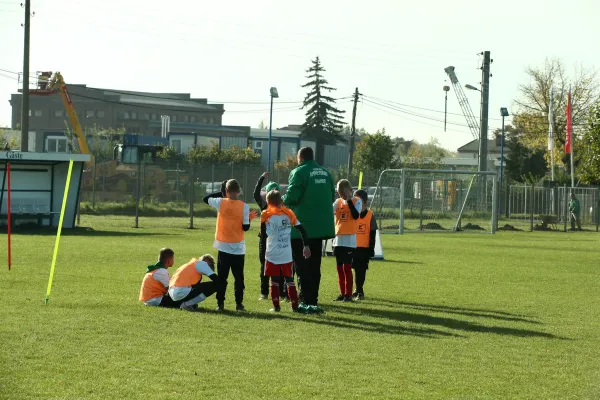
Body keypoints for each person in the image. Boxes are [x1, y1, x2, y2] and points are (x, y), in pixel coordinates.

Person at [283, 147, 336, 309]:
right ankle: (313, 298)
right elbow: (331, 195)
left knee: (301, 266)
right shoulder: (326, 173)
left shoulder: (298, 172)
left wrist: (281, 199)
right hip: (320, 228)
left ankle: (305, 299)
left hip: (302, 229)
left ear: (300, 158)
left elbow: (292, 196)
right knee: (314, 265)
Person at [203, 179, 257, 311]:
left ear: (226, 191)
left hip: (223, 246)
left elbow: (206, 198)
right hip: (238, 248)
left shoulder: (220, 202)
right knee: (239, 278)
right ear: (239, 191)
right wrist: (248, 219)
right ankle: (239, 304)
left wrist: (222, 193)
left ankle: (220, 304)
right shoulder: (244, 206)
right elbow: (245, 228)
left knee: (222, 278)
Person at [260, 189, 311, 312]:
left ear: (269, 202)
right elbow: (302, 229)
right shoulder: (288, 213)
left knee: (274, 280)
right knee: (289, 279)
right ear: (280, 200)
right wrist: (306, 245)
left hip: (272, 253)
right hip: (286, 253)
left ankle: (276, 306)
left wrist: (263, 222)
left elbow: (264, 235)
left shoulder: (267, 215)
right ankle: (295, 306)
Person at [253, 172, 288, 301]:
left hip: (267, 240)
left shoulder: (267, 206)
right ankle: (280, 293)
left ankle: (265, 293)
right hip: (275, 240)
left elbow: (256, 194)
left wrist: (261, 178)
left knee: (266, 266)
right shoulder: (282, 207)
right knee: (278, 266)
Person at [332, 179, 361, 302]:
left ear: (350, 191)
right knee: (339, 267)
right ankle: (342, 292)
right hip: (338, 239)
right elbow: (328, 211)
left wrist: (349, 200)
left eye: (344, 193)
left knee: (347, 267)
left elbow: (355, 215)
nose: (342, 196)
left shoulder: (356, 201)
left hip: (349, 240)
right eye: (340, 194)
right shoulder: (337, 202)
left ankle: (348, 294)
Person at [352, 189, 377, 300]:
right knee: (354, 269)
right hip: (352, 247)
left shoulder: (370, 215)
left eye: (358, 199)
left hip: (364, 248)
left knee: (361, 269)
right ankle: (357, 289)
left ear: (364, 201)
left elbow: (373, 234)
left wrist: (371, 249)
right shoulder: (352, 214)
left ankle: (360, 291)